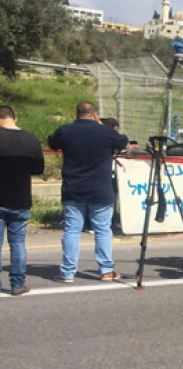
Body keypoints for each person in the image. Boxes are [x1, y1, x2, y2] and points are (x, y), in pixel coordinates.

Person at [48, 101, 129, 283]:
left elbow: (52, 142)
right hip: (100, 189)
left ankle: (67, 272)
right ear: (95, 115)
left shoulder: (66, 130)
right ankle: (106, 270)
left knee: (72, 231)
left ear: (76, 114)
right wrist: (101, 126)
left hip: (73, 189)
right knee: (102, 230)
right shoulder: (106, 132)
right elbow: (123, 141)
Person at [0, 106, 45, 295]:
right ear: (14, 118)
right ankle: (18, 284)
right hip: (21, 199)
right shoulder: (31, 139)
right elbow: (38, 169)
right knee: (17, 243)